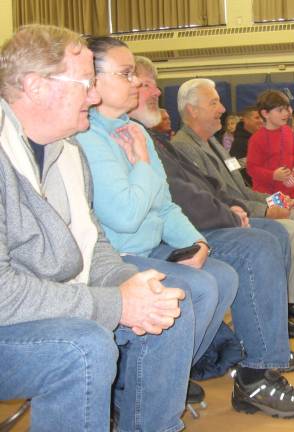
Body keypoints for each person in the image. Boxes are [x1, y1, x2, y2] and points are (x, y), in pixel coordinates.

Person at [0, 24, 193, 431]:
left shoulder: (68, 150)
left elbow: (93, 241)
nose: (94, 95)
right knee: (82, 348)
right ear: (36, 86)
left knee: (166, 302)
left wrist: (132, 285)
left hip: (53, 304)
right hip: (11, 316)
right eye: (86, 83)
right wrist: (116, 304)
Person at [126, 56, 294, 416]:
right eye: (214, 102)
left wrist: (248, 206)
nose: (222, 108)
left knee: (288, 228)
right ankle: (260, 365)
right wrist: (244, 212)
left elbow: (217, 187)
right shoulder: (176, 141)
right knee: (268, 238)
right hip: (182, 230)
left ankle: (273, 330)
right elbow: (189, 196)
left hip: (214, 217)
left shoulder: (175, 140)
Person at [170, 79, 294, 317]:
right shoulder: (185, 147)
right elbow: (217, 199)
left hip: (250, 204)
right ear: (192, 110)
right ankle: (287, 301)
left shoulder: (213, 142)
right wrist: (265, 210)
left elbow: (240, 189)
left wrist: (274, 200)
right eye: (214, 102)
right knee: (289, 228)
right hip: (227, 220)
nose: (223, 109)